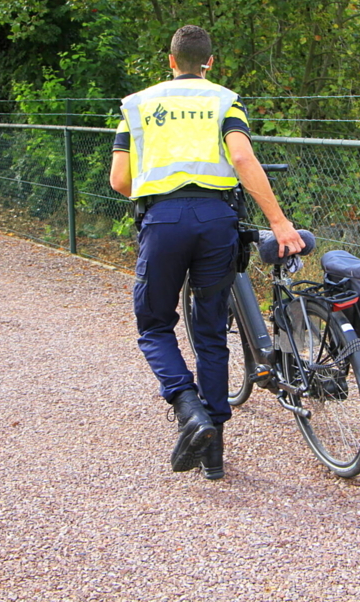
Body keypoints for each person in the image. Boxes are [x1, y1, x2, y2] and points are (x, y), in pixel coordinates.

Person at [110, 25, 304, 479]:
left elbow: (119, 181)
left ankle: (187, 408)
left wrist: (163, 191)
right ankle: (213, 451)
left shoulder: (137, 105)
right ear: (210, 63)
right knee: (211, 331)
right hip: (217, 221)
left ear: (171, 60)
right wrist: (279, 221)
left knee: (155, 325)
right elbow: (241, 159)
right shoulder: (223, 101)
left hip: (164, 222)